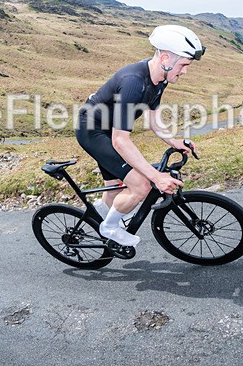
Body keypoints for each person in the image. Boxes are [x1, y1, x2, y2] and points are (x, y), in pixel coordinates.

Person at [76, 24, 204, 246]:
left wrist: (174, 141)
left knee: (116, 185)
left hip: (108, 131)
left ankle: (100, 215)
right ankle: (108, 227)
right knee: (141, 185)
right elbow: (119, 140)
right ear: (166, 58)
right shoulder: (134, 82)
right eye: (183, 65)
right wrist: (156, 177)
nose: (185, 71)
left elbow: (153, 120)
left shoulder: (159, 80)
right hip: (93, 131)